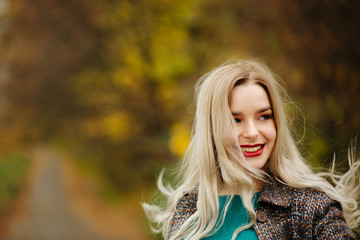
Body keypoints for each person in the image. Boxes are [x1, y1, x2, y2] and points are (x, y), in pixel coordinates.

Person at [142, 60, 360, 239]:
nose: (252, 132)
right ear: (211, 129)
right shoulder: (188, 208)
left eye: (264, 116)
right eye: (235, 120)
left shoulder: (312, 208)